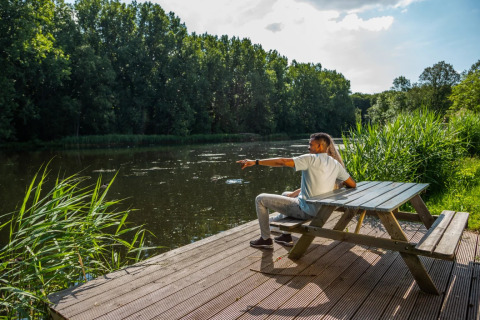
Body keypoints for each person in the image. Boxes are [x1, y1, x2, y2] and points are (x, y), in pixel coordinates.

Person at [237, 132, 356, 249]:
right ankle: (285, 237)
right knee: (286, 194)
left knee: (260, 199)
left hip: (307, 211)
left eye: (311, 144)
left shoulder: (310, 159)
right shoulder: (334, 163)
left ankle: (265, 239)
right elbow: (352, 183)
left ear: (320, 146)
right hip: (322, 210)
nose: (308, 147)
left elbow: (282, 162)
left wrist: (256, 162)